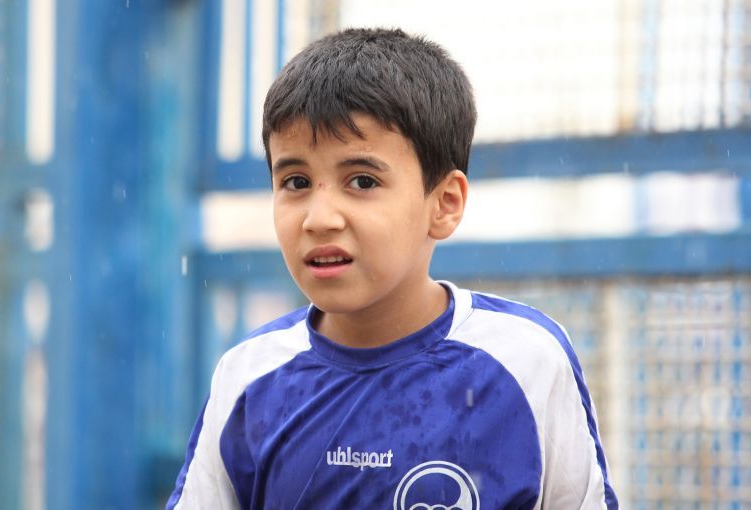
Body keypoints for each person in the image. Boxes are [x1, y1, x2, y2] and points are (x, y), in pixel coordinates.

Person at [167, 27, 618, 509]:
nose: (319, 219)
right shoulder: (249, 377)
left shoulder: (526, 362)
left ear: (444, 204)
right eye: (296, 182)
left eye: (362, 181)